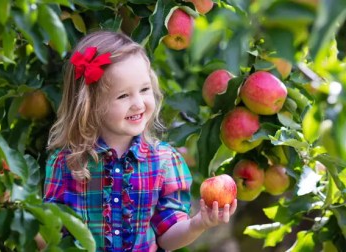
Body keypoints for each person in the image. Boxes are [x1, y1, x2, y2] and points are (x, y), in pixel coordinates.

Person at [43, 30, 237, 251]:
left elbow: (167, 236)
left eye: (144, 90)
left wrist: (198, 224)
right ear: (90, 103)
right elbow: (50, 232)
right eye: (123, 96)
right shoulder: (67, 162)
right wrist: (11, 205)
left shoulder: (163, 161)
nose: (138, 103)